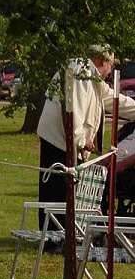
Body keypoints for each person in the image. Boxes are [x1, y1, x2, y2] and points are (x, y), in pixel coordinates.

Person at [37, 45, 135, 229]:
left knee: (61, 191)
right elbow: (74, 111)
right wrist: (82, 140)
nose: (111, 71)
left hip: (63, 140)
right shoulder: (80, 71)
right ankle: (55, 238)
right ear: (102, 61)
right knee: (57, 191)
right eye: (111, 65)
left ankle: (60, 234)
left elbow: (115, 101)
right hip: (59, 141)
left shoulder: (90, 77)